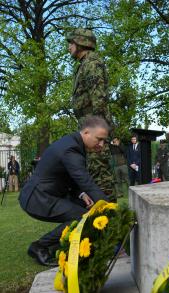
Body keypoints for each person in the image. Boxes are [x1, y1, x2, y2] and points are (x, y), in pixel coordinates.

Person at [19, 116, 110, 266]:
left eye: (104, 141)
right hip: (38, 198)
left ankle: (59, 246)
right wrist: (108, 207)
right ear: (86, 132)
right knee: (81, 216)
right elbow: (84, 179)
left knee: (83, 210)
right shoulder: (71, 148)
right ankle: (39, 246)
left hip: (45, 194)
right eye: (99, 139)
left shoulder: (73, 143)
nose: (102, 144)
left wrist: (81, 194)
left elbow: (69, 176)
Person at [66, 28, 115, 200]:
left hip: (94, 130)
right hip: (89, 128)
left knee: (100, 178)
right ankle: (100, 216)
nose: (69, 47)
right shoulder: (85, 64)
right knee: (94, 176)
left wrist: (99, 135)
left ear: (81, 43)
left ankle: (108, 216)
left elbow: (99, 101)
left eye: (71, 43)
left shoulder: (92, 64)